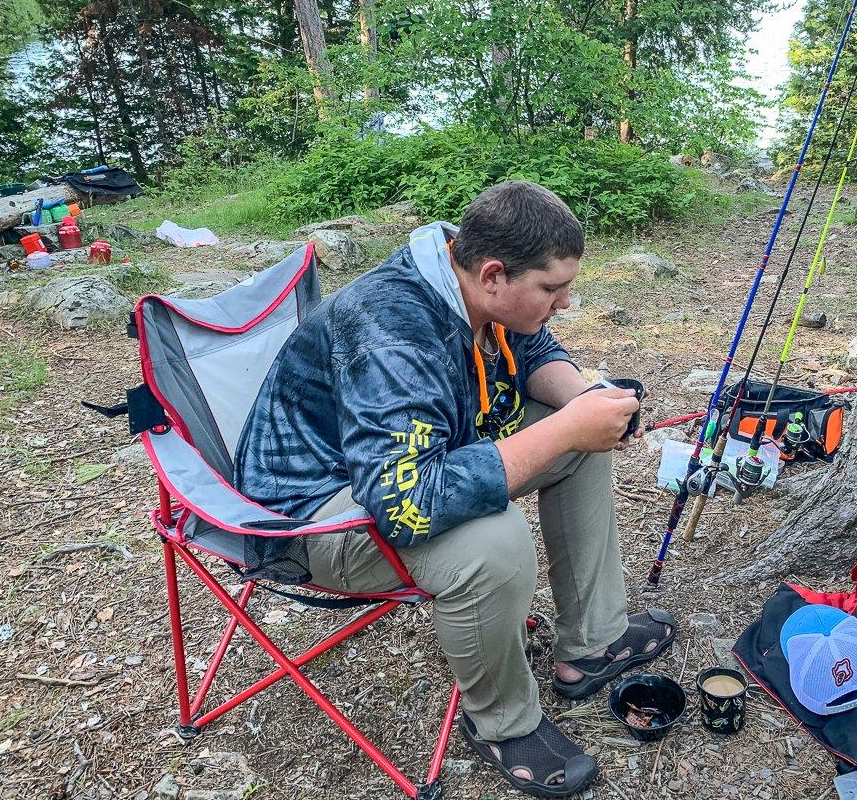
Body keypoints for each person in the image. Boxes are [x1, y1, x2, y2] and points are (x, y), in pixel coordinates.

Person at [234, 180, 676, 797]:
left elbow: (533, 346)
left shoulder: (461, 267)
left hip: (409, 460)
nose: (566, 302)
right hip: (313, 513)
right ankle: (502, 724)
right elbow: (408, 506)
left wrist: (582, 403)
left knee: (579, 439)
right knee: (492, 543)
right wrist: (564, 431)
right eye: (552, 288)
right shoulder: (393, 335)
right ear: (493, 274)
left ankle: (592, 643)